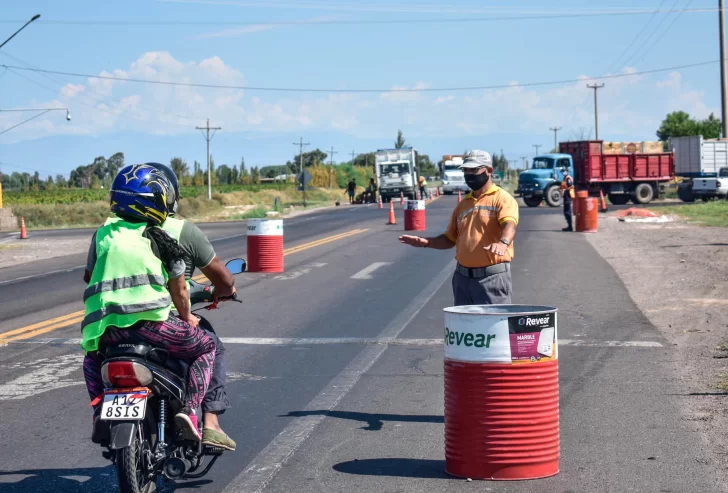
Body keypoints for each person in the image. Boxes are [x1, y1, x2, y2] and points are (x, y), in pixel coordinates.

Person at [82, 164, 216, 444]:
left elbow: (90, 276)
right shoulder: (159, 237)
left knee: (90, 363)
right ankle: (191, 411)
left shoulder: (101, 235)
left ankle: (98, 412)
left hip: (106, 331)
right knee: (206, 347)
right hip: (152, 325)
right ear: (154, 201)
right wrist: (187, 316)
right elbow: (179, 289)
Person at [145, 162, 237, 451]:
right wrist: (225, 292)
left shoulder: (115, 232)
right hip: (167, 319)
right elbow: (221, 278)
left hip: (114, 324)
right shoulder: (183, 230)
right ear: (170, 195)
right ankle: (210, 422)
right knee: (212, 346)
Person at [399, 150, 519, 305]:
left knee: (493, 327)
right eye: (466, 170)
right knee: (465, 327)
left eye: (474, 170)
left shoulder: (502, 199)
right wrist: (426, 242)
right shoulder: (463, 205)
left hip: (491, 279)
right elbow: (449, 239)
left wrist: (503, 243)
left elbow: (509, 224)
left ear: (489, 170)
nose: (469, 174)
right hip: (462, 280)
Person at [560, 167, 575, 232]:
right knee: (566, 211)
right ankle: (569, 226)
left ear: (567, 171)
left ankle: (570, 227)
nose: (563, 172)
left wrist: (565, 191)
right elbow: (563, 186)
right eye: (562, 171)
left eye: (564, 171)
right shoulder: (565, 178)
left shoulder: (568, 178)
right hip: (566, 196)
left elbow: (570, 187)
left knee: (567, 212)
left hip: (568, 196)